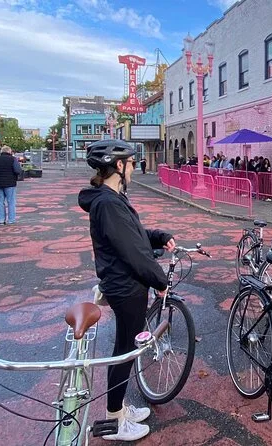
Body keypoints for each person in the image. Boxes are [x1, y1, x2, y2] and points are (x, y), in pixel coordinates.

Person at [78, 140, 175, 442]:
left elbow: (134, 235)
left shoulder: (112, 199)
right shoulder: (108, 203)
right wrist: (160, 280)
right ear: (118, 165)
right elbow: (132, 250)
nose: (133, 167)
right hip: (126, 286)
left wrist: (158, 236)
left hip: (126, 284)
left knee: (125, 349)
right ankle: (114, 420)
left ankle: (118, 410)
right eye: (131, 163)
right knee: (124, 352)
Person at [0, 145, 23, 225]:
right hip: (10, 183)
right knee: (11, 202)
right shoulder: (13, 159)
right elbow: (18, 170)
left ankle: (1, 220)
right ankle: (11, 220)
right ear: (9, 151)